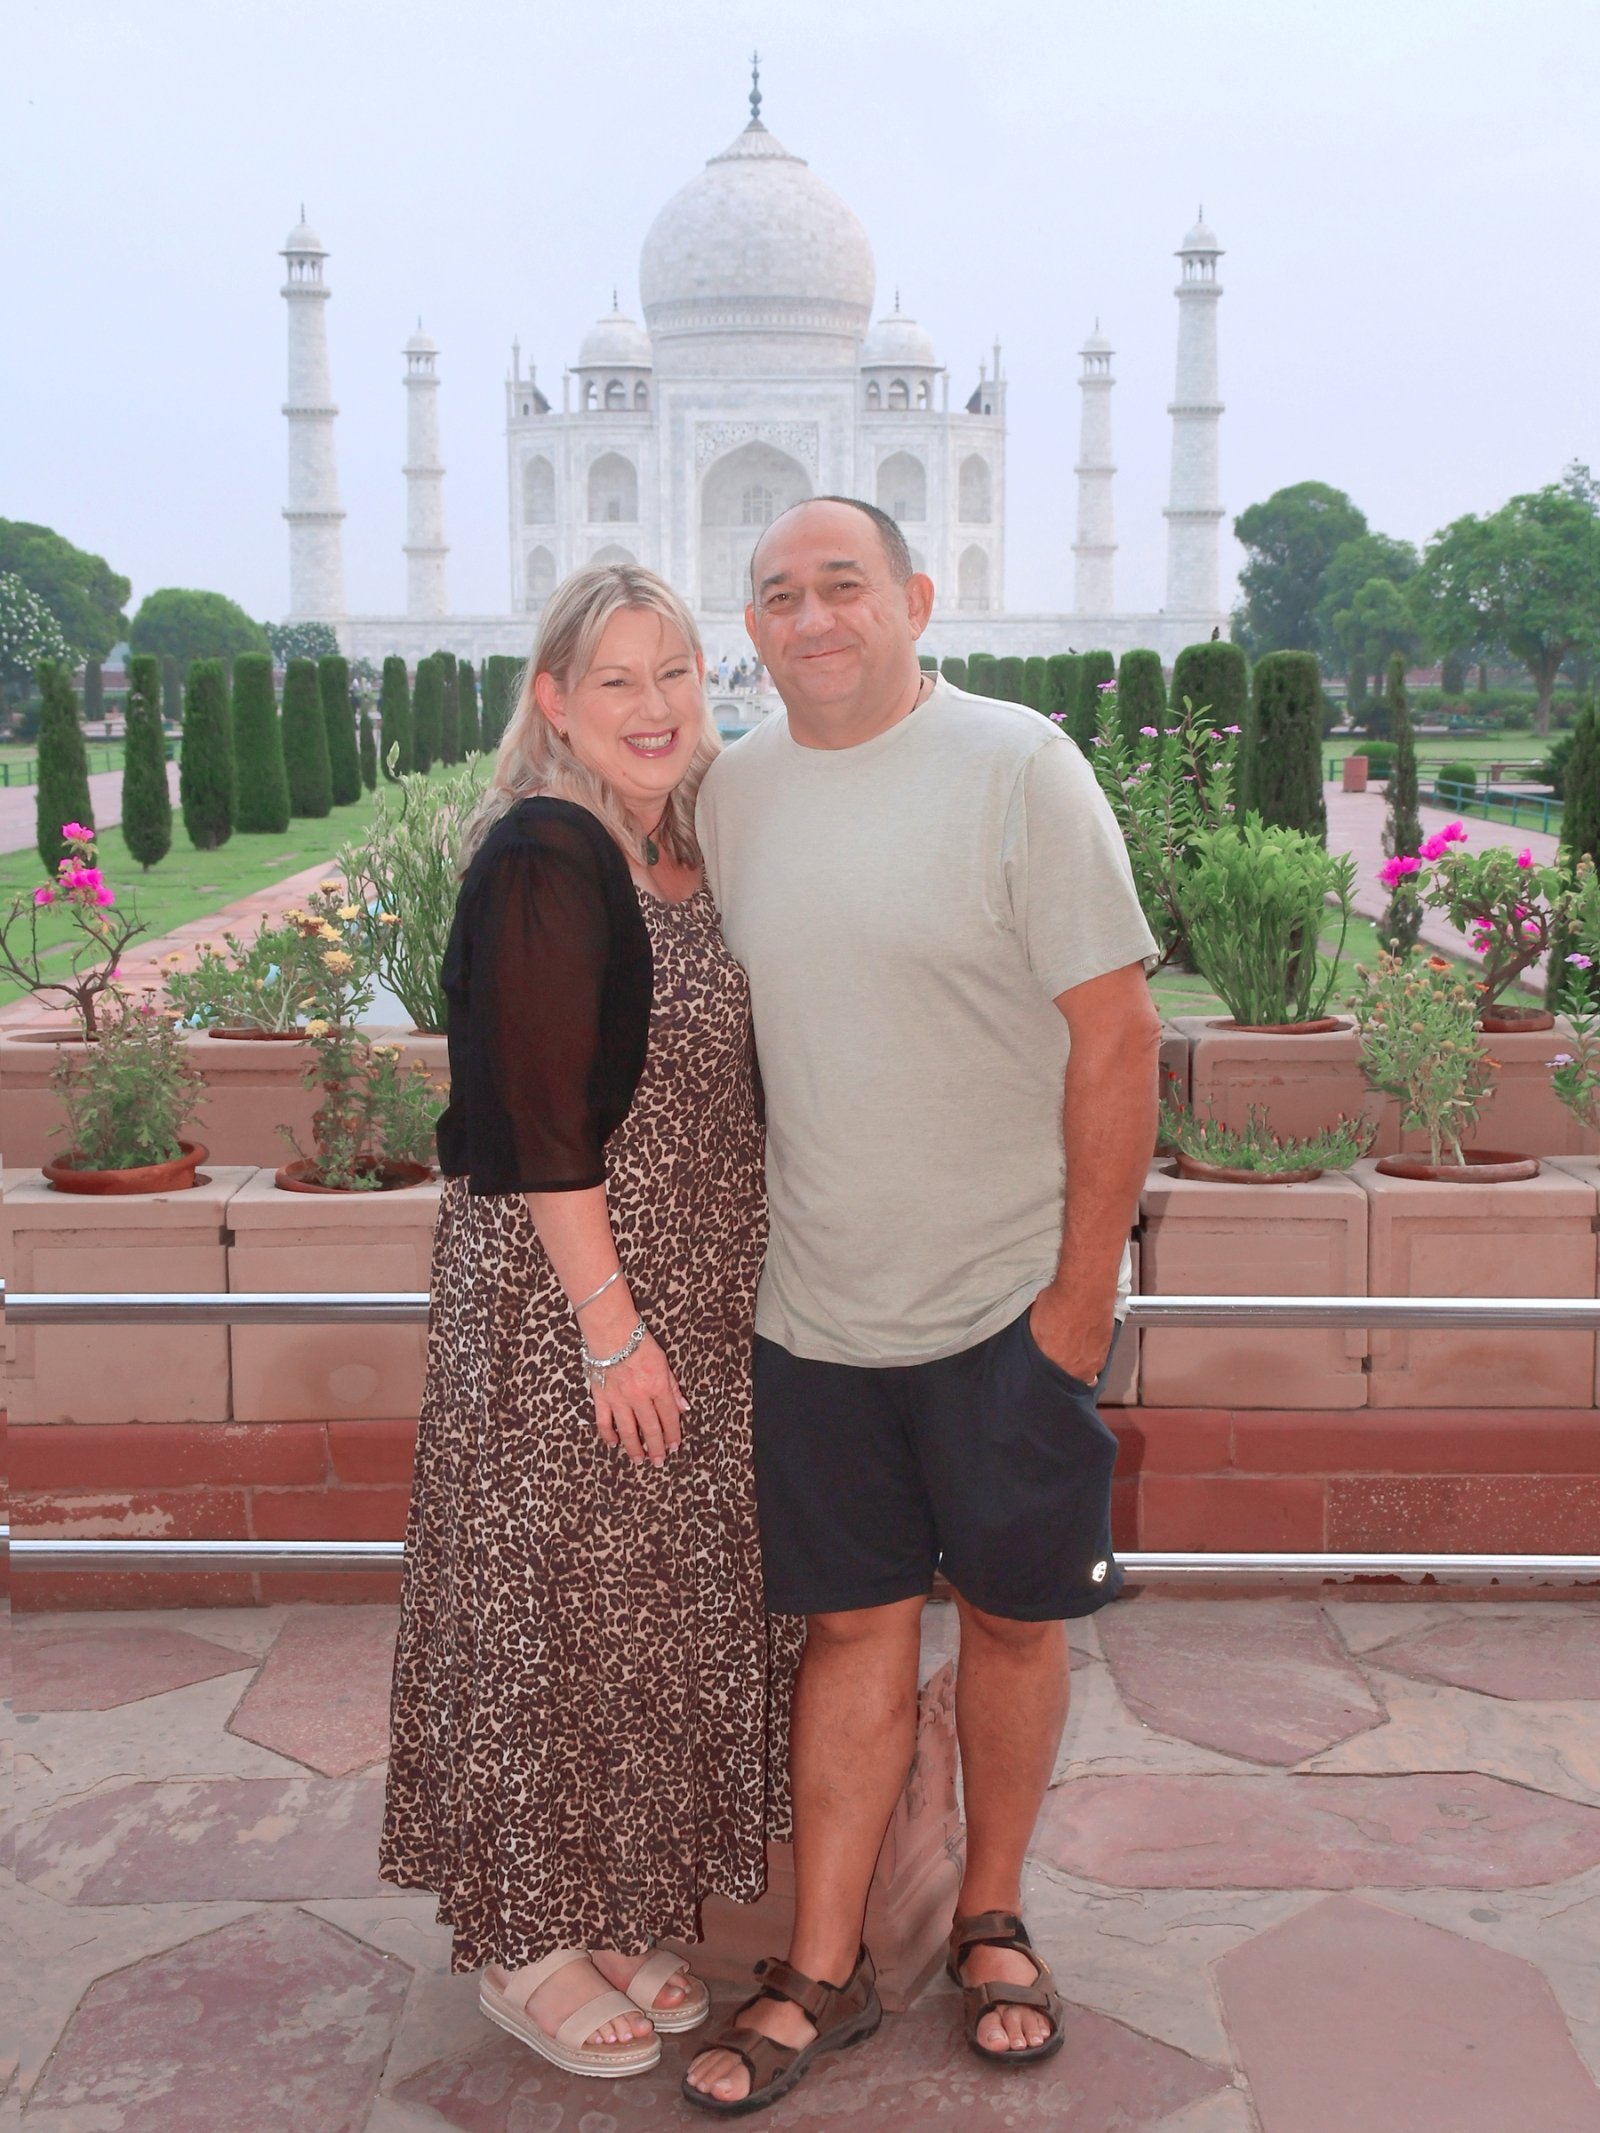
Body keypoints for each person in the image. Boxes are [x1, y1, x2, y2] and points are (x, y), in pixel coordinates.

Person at [683, 498, 1161, 2115]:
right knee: (852, 1631)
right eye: (779, 593)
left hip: (1003, 1300)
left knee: (1016, 1619)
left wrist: (1078, 1303)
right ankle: (822, 1961)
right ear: (751, 625)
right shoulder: (737, 794)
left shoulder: (1018, 766)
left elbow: (1117, 1035)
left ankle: (991, 1915)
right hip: (814, 1307)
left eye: (845, 584)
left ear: (916, 598)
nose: (812, 616)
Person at [380, 562, 802, 2081]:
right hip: (576, 1299)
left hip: (694, 1290)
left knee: (646, 1611)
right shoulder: (548, 854)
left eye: (674, 671)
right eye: (616, 679)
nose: (654, 704)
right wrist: (613, 1331)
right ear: (554, 701)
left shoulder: (683, 840)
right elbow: (543, 1124)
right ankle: (522, 1935)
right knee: (550, 1605)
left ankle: (609, 1908)